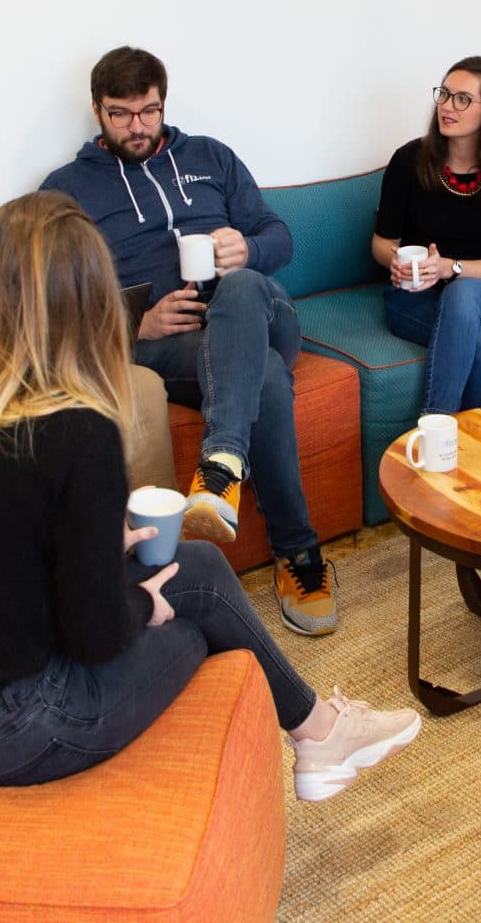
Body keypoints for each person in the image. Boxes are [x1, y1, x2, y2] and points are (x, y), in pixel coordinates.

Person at [0, 192, 419, 799]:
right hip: (17, 728)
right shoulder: (75, 430)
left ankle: (319, 731)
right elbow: (94, 632)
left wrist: (100, 540)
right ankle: (320, 736)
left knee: (203, 567)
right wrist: (143, 608)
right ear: (86, 301)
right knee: (200, 629)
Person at [42, 47, 337, 637]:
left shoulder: (210, 156)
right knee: (269, 381)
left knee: (246, 287)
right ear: (96, 110)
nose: (138, 127)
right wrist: (134, 325)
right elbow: (55, 303)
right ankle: (298, 555)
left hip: (261, 312)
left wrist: (246, 250)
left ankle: (219, 461)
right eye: (122, 114)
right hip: (169, 344)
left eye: (149, 112)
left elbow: (279, 235)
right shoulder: (65, 191)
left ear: (163, 104)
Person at [370, 56, 481, 415]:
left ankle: (433, 428)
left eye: (462, 99)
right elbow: (382, 244)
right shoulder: (408, 160)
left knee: (463, 293)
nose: (446, 106)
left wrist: (448, 268)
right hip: (413, 299)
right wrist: (396, 261)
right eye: (444, 94)